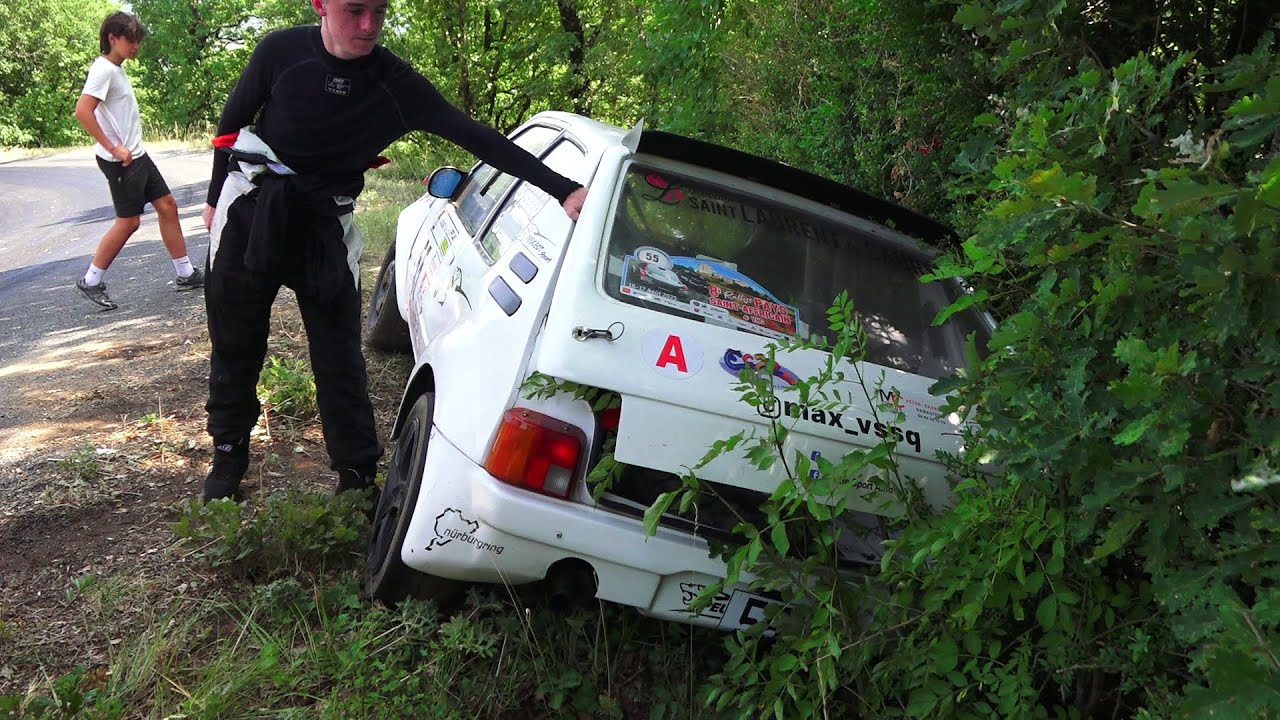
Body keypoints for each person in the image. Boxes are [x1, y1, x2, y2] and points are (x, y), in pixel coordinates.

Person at [200, 0, 588, 502]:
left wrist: (562, 189)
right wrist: (213, 202)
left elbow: (480, 139)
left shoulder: (396, 85)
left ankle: (357, 477)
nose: (368, 26)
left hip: (324, 223)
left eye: (379, 12)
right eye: (354, 10)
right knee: (235, 339)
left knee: (339, 352)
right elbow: (231, 124)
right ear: (320, 4)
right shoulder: (281, 52)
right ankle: (228, 455)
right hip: (252, 208)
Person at [73, 11, 204, 311]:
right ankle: (91, 281)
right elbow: (83, 111)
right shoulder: (103, 69)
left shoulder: (116, 69)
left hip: (138, 155)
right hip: (121, 161)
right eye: (130, 40)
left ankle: (185, 274)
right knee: (129, 222)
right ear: (112, 38)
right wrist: (113, 148)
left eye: (138, 41)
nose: (136, 46)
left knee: (168, 204)